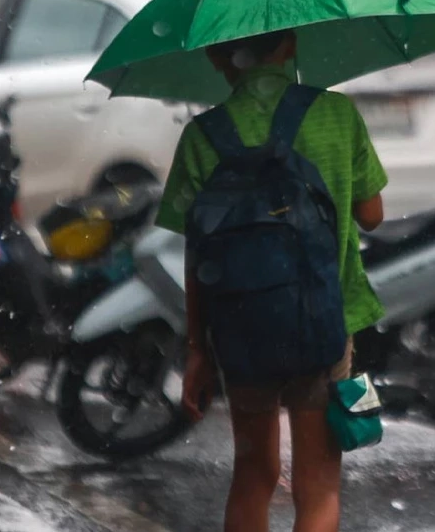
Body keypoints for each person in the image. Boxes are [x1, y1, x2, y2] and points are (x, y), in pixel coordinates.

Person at [154, 29, 388, 532]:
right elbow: (372, 215)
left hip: (242, 330)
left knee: (254, 471)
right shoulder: (336, 115)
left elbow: (198, 254)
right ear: (292, 46)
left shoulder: (201, 136)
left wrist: (198, 348)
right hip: (324, 323)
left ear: (218, 59)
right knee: (318, 482)